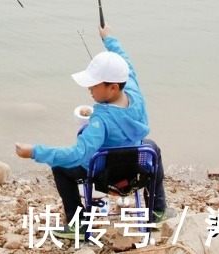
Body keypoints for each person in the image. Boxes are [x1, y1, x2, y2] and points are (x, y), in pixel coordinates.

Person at [15, 24, 168, 237]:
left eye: (94, 85)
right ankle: (158, 210)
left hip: (107, 178)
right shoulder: (133, 90)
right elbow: (127, 63)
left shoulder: (100, 119)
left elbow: (78, 154)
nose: (89, 89)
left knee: (60, 168)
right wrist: (109, 39)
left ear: (113, 87)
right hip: (136, 170)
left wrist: (35, 151)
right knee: (152, 147)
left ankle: (78, 225)